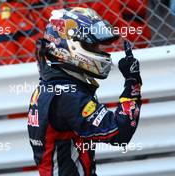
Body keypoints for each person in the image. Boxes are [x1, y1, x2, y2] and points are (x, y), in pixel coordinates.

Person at [27, 7, 142, 176]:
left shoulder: (52, 83)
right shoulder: (67, 95)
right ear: (71, 46)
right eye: (92, 45)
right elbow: (120, 132)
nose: (99, 50)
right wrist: (132, 82)